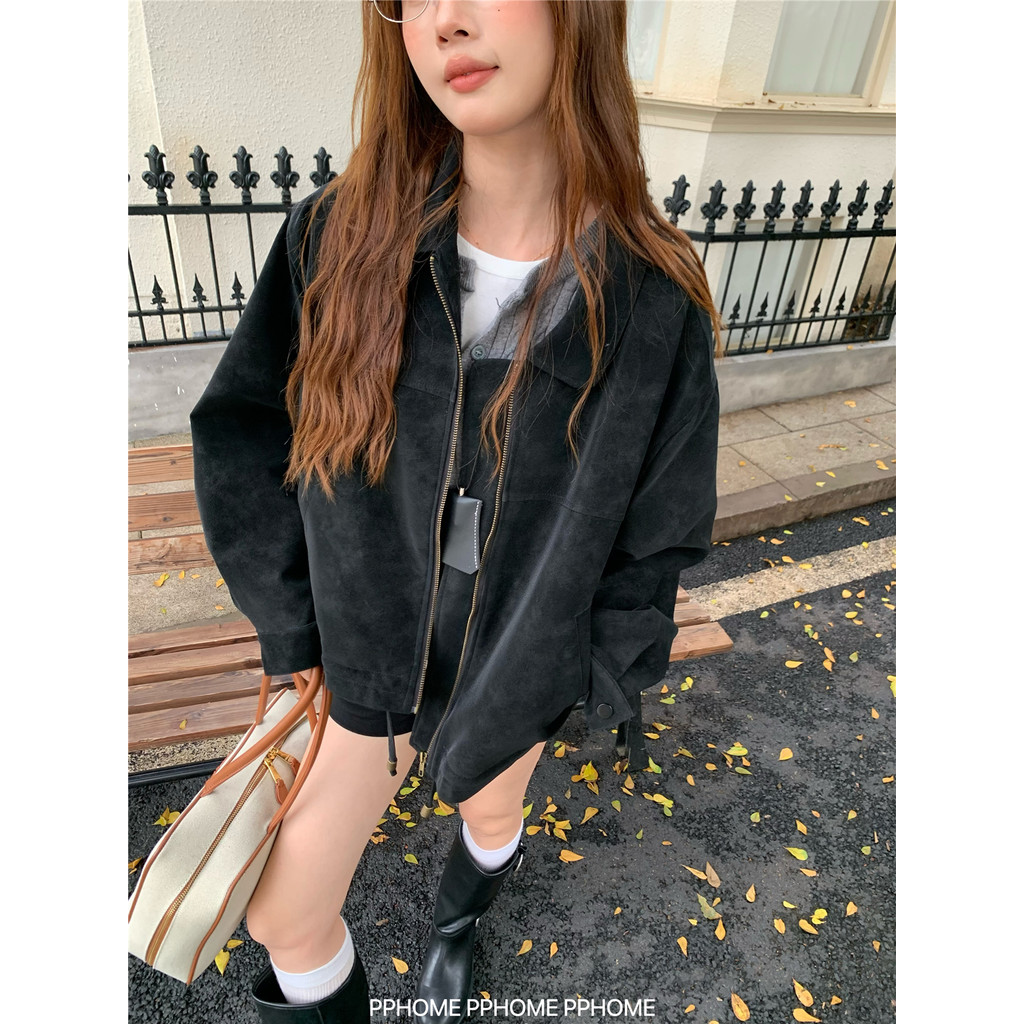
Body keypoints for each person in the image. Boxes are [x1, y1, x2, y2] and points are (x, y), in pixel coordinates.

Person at [189, 1, 722, 1021]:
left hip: (517, 660)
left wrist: (577, 678)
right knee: (284, 914)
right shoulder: (338, 236)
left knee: (489, 805)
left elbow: (660, 534)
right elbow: (245, 435)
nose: (443, 22)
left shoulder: (653, 298)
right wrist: (294, 636)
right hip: (368, 656)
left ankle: (455, 922)